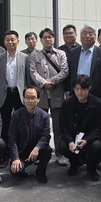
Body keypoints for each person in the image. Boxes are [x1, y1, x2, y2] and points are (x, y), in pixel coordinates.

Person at [29, 28, 70, 166]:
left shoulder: (61, 53)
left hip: (57, 94)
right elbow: (33, 72)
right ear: (41, 40)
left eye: (50, 37)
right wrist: (43, 83)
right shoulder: (35, 55)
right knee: (39, 126)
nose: (48, 39)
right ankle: (39, 153)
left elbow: (65, 71)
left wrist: (52, 81)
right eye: (45, 37)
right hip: (41, 96)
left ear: (54, 39)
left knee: (58, 127)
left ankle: (59, 153)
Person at [59, 75, 101, 181]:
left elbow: (100, 127)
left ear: (89, 89)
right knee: (63, 145)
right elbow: (63, 125)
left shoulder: (98, 103)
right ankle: (75, 163)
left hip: (90, 136)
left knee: (97, 146)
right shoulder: (67, 103)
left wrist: (87, 140)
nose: (80, 92)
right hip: (73, 135)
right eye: (77, 89)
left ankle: (91, 168)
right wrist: (70, 141)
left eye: (83, 89)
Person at [0, 31, 30, 152]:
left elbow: (28, 79)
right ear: (4, 42)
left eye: (12, 39)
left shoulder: (25, 57)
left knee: (22, 122)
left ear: (18, 41)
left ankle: (21, 150)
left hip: (20, 94)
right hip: (4, 94)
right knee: (4, 123)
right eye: (7, 40)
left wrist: (28, 96)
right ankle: (5, 152)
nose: (10, 42)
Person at [8, 86, 52, 183]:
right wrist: (15, 158)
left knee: (47, 150)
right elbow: (12, 139)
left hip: (37, 150)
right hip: (22, 151)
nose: (30, 100)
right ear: (23, 99)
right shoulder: (16, 115)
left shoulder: (44, 116)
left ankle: (40, 173)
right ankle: (22, 170)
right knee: (16, 171)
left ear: (38, 99)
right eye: (27, 97)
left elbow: (46, 136)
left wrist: (37, 148)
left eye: (33, 98)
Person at [68, 24, 101, 107]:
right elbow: (69, 73)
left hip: (96, 94)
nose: (87, 36)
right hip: (76, 93)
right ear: (80, 37)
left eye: (90, 34)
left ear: (95, 37)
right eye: (84, 33)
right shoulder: (73, 52)